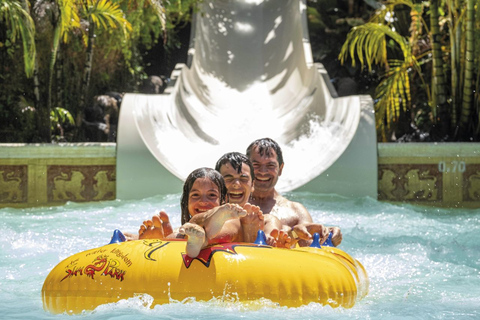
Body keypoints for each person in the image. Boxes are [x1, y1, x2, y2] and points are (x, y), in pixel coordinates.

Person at [136, 167, 287, 258]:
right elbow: (127, 238)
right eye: (195, 195)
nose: (203, 201)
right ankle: (166, 239)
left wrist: (271, 238)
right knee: (186, 230)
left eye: (212, 195)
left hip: (224, 233)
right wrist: (147, 239)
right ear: (186, 201)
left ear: (223, 201)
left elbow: (273, 225)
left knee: (233, 222)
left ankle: (203, 238)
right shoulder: (187, 229)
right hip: (196, 233)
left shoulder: (233, 219)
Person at [246, 137, 343, 247]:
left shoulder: (295, 211)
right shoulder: (233, 202)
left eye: (270, 166)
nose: (263, 172)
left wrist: (328, 237)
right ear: (246, 167)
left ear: (281, 169)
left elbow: (310, 246)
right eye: (256, 165)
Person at [214, 152, 291, 247]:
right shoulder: (206, 216)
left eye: (243, 178)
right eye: (229, 178)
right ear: (217, 184)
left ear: (252, 185)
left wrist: (270, 239)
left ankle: (262, 240)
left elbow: (273, 229)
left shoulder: (265, 220)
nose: (237, 184)